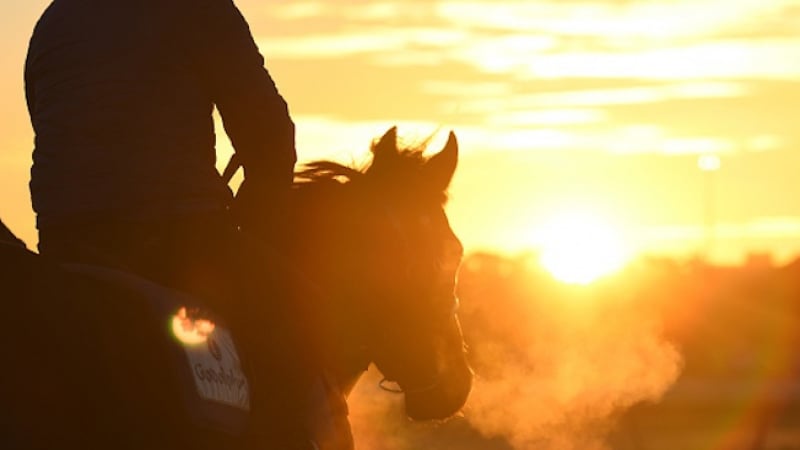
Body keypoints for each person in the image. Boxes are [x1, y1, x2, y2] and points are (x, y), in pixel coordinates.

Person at [24, 0, 313, 447]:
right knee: (299, 322)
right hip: (177, 239)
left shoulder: (52, 21)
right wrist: (256, 225)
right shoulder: (199, 9)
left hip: (65, 248)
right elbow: (270, 136)